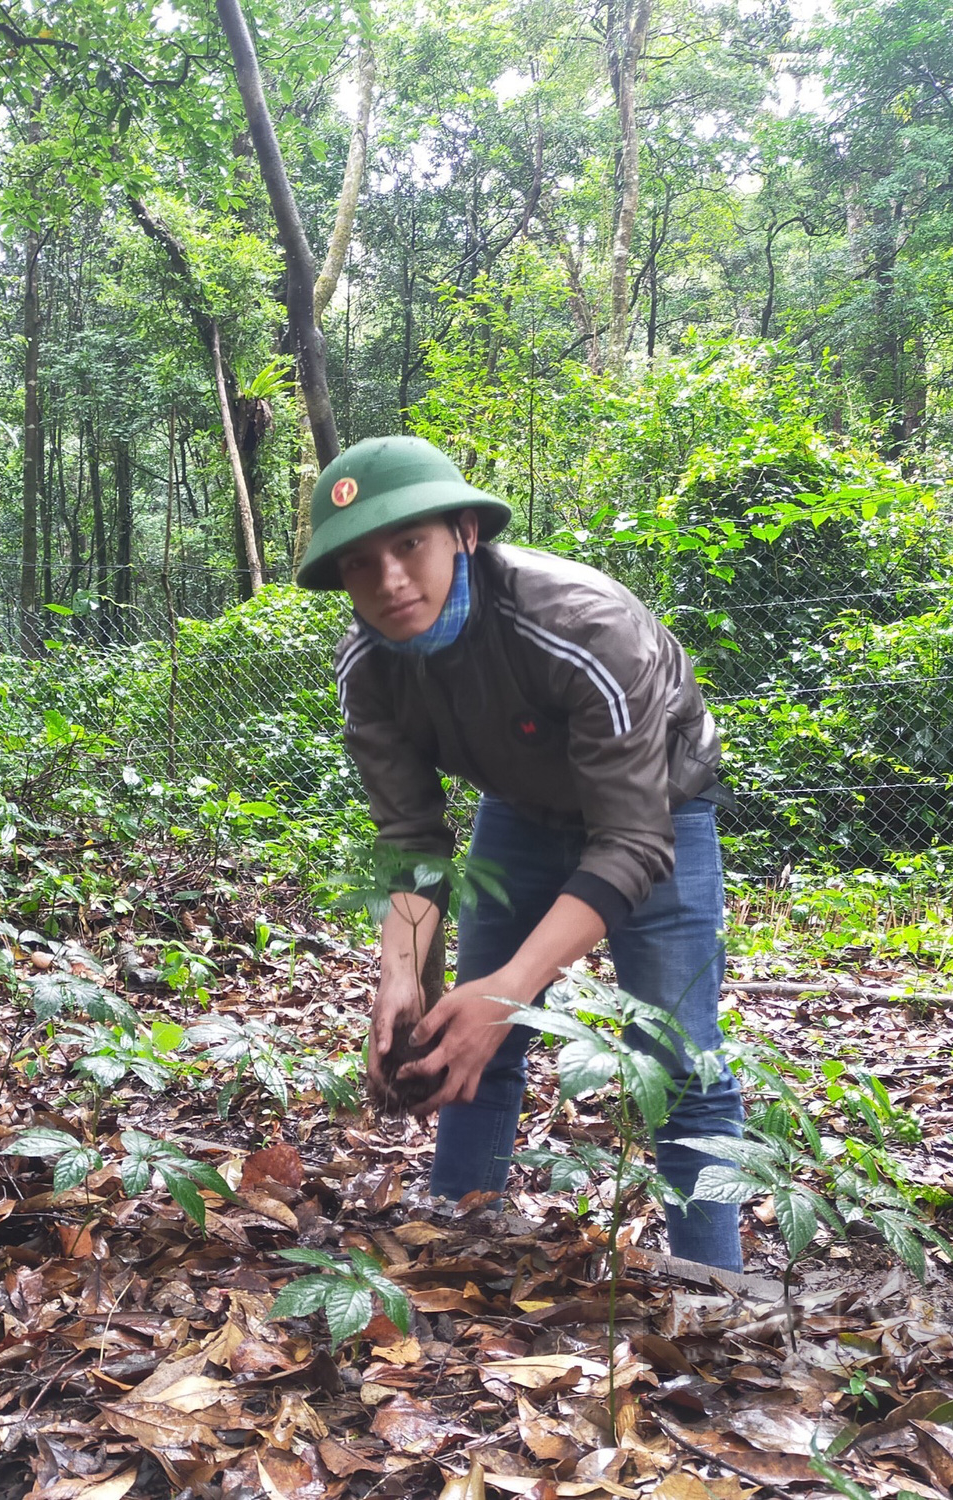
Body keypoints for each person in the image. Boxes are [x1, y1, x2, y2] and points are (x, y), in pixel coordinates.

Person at [296, 433, 746, 1271]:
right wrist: (401, 976)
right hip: (521, 808)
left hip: (661, 814)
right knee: (466, 1035)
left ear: (466, 531)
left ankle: (716, 1287)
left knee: (681, 1065)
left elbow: (632, 837)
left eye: (410, 545)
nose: (390, 580)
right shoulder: (367, 667)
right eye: (359, 563)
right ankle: (457, 1248)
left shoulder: (581, 624)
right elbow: (411, 839)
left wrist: (507, 989)